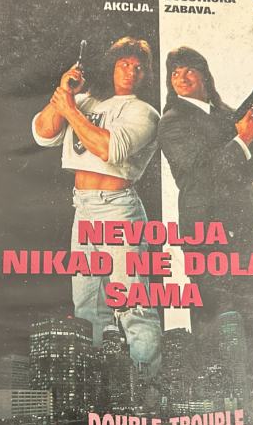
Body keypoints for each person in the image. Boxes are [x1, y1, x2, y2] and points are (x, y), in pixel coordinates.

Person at [32, 37, 162, 381]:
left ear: (146, 75)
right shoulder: (86, 100)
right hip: (84, 208)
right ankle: (100, 393)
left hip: (118, 210)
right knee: (88, 308)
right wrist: (64, 94)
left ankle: (147, 391)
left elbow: (110, 149)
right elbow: (43, 133)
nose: (131, 71)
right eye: (124, 64)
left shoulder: (144, 112)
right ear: (111, 66)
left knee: (133, 305)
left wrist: (71, 109)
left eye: (138, 67)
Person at [158, 46, 253, 357]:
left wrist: (236, 149)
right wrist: (241, 141)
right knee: (214, 325)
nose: (181, 77)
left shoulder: (229, 115)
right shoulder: (171, 122)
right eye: (175, 73)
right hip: (206, 236)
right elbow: (200, 174)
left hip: (246, 231)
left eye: (188, 70)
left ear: (204, 75)